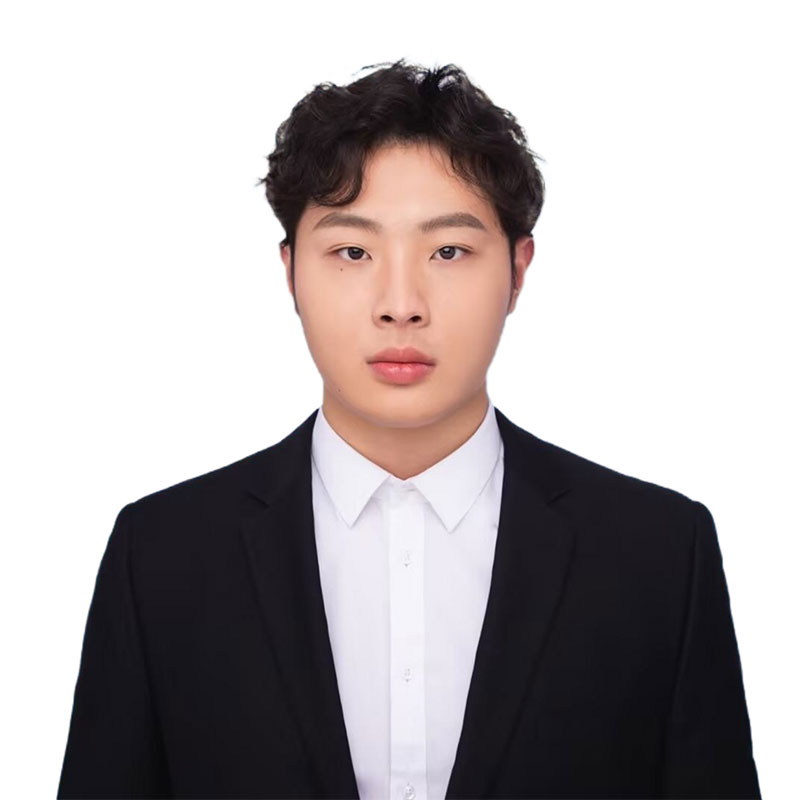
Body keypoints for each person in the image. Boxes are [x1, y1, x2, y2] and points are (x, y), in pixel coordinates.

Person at [57, 59, 760, 800]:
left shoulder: (658, 554)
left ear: (518, 271)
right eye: (353, 252)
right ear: (291, 272)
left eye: (448, 251)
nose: (401, 304)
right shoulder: (161, 555)